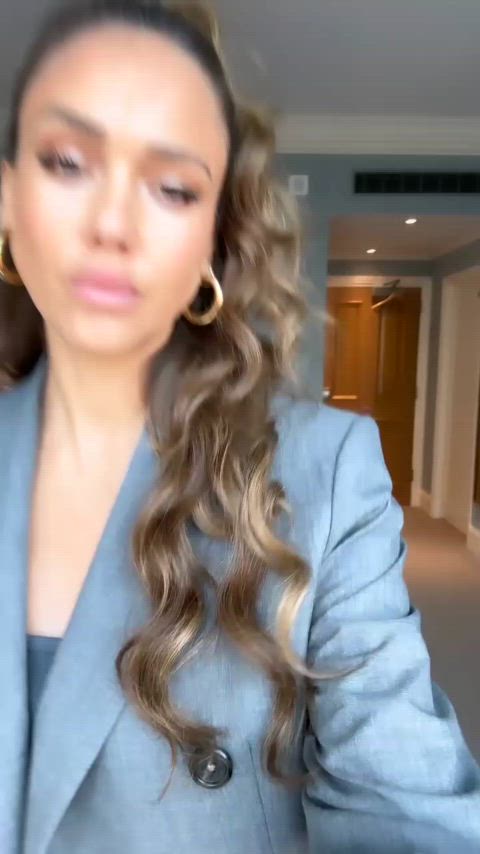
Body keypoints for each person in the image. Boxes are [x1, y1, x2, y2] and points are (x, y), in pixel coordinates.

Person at [0, 2, 479, 852]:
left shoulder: (324, 469)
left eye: (173, 186)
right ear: (9, 201)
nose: (113, 224)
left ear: (211, 240)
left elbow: (401, 801)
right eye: (69, 162)